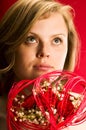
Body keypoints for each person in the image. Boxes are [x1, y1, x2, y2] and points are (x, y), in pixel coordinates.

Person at [0, 0, 85, 129]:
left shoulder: (83, 113)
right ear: (8, 48)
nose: (44, 52)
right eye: (31, 39)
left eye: (56, 40)